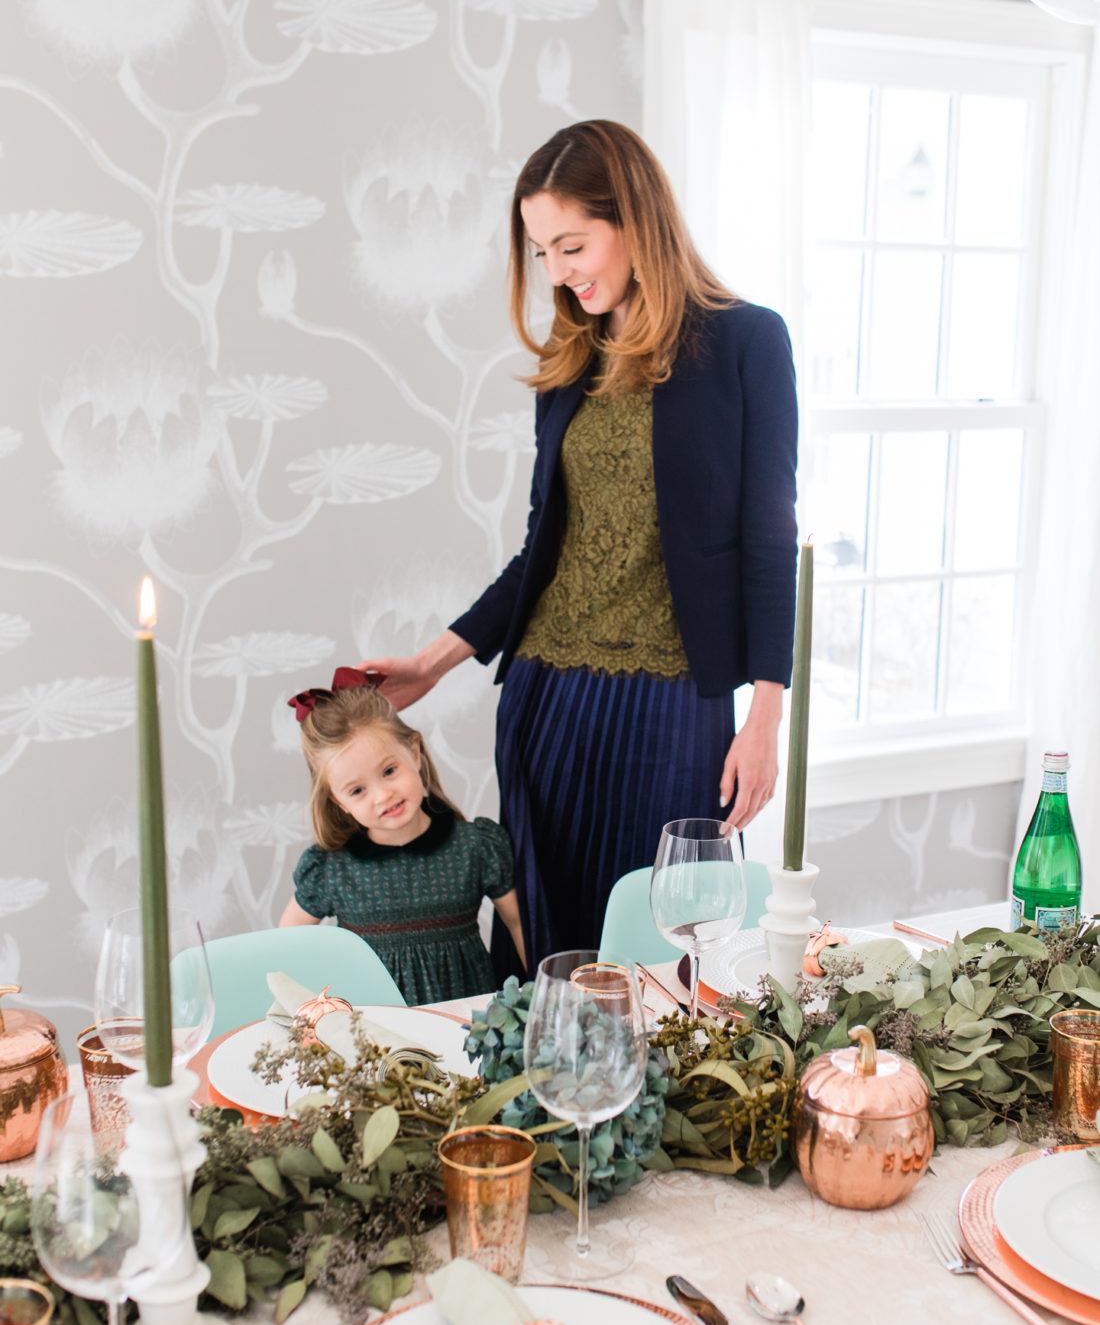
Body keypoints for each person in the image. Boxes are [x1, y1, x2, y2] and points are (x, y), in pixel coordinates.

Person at [360, 119, 798, 975]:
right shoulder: (573, 358)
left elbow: (767, 539)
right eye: (539, 252)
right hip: (546, 696)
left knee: (669, 955)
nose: (557, 272)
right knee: (548, 961)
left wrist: (766, 720)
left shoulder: (747, 342)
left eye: (572, 244)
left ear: (635, 220)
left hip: (674, 704)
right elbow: (545, 550)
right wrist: (436, 660)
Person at [279, 668, 525, 1003]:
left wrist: (549, 1005)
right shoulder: (330, 870)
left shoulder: (476, 847)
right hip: (373, 1037)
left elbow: (520, 926)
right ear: (338, 801)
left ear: (414, 751)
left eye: (389, 771)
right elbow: (283, 949)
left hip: (465, 1029)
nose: (382, 796)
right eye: (357, 790)